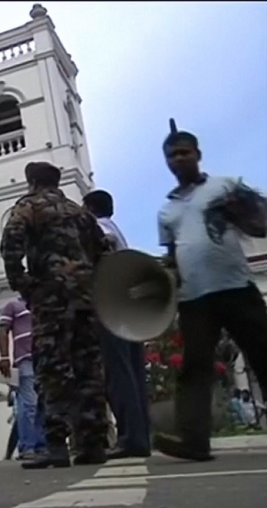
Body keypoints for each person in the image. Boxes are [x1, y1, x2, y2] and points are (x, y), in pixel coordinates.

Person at [155, 130, 267, 460]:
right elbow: (173, 254)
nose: (179, 159)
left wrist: (241, 211)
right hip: (194, 299)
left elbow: (261, 226)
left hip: (237, 289)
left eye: (184, 152)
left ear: (198, 154)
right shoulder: (166, 212)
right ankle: (194, 441)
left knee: (263, 354)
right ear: (166, 162)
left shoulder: (225, 187)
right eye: (173, 155)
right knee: (194, 367)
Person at [0, 161, 111, 469]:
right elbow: (104, 252)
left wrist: (24, 286)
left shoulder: (28, 207)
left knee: (52, 366)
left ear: (32, 182)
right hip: (86, 298)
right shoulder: (80, 213)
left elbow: (11, 245)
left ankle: (56, 445)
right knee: (88, 367)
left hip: (51, 297)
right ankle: (92, 443)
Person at [83, 189, 151, 460]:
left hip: (112, 305)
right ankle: (140, 435)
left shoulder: (99, 228)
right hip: (129, 306)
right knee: (134, 372)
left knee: (118, 373)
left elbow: (105, 245)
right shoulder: (116, 228)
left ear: (88, 208)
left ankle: (129, 438)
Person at [0, 295, 47, 461]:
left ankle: (41, 445)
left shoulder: (42, 302)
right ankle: (28, 446)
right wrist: (4, 357)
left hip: (44, 358)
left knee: (42, 403)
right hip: (25, 359)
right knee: (29, 404)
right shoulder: (13, 305)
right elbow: (3, 331)